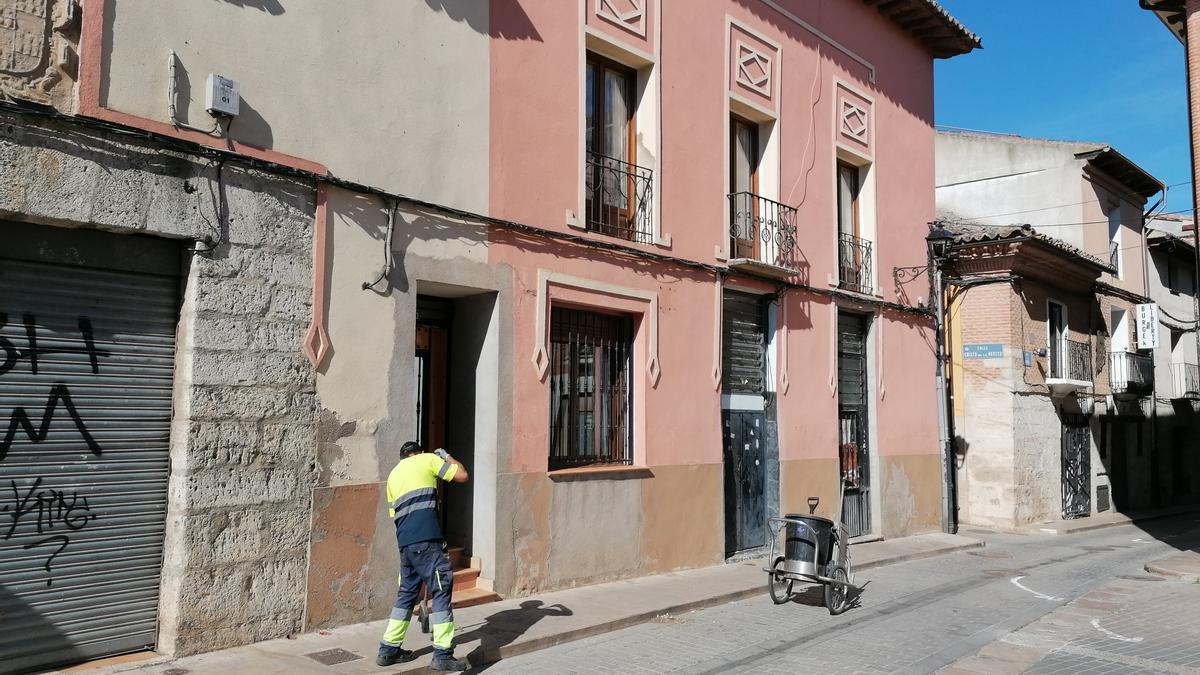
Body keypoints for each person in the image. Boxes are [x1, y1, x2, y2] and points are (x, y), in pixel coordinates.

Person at [377, 441, 470, 671]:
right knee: (441, 588)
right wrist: (445, 456)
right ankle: (442, 654)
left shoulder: (393, 476)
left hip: (406, 544)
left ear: (402, 457)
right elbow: (462, 475)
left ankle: (388, 650)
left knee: (406, 594)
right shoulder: (428, 459)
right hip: (427, 541)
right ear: (417, 453)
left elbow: (395, 515)